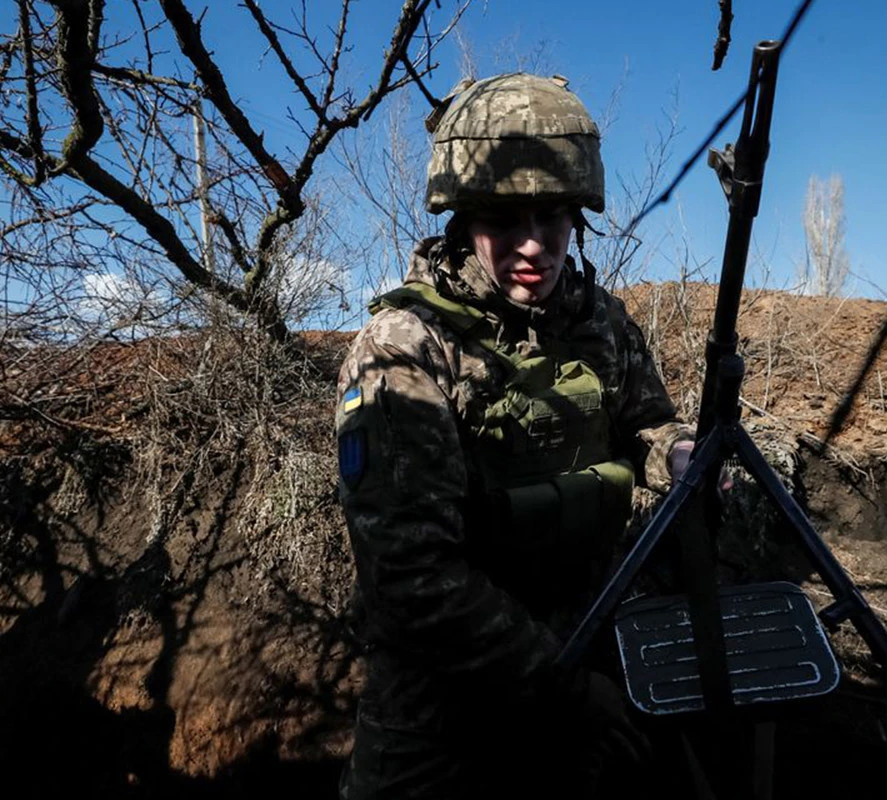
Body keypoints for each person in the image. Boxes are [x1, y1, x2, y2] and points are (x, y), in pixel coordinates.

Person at [334, 72, 698, 799]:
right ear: (464, 221)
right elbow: (410, 576)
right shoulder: (404, 349)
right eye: (505, 220)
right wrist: (561, 684)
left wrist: (679, 453)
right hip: (444, 699)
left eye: (553, 217)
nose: (533, 246)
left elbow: (648, 423)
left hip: (590, 642)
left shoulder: (602, 323)